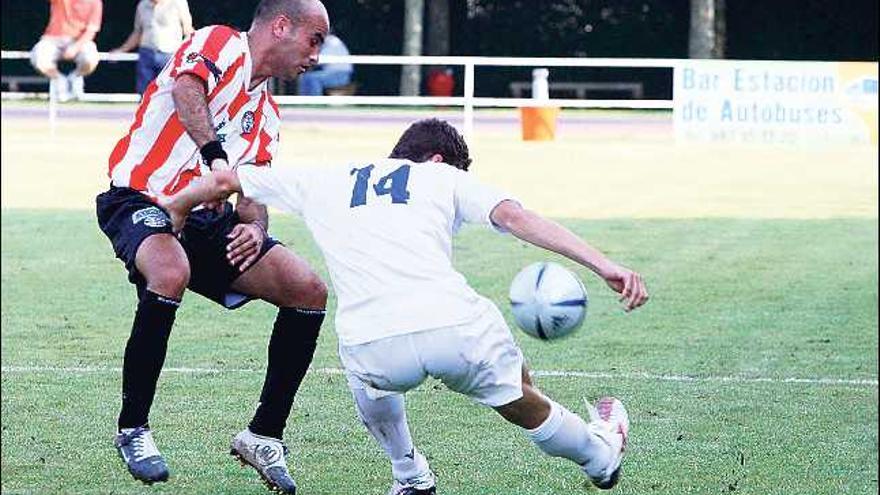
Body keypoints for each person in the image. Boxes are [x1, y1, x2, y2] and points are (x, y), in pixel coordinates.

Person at [161, 118, 650, 493]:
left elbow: (225, 182)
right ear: (437, 160)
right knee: (521, 393)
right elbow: (517, 217)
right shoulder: (442, 179)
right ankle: (600, 457)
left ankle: (409, 473)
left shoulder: (325, 177)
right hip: (456, 331)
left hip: (375, 348)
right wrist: (603, 265)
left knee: (361, 369)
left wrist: (177, 209)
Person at [94, 0, 330, 492]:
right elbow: (187, 88)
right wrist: (216, 156)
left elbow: (252, 194)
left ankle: (263, 435)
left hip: (205, 217)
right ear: (281, 26)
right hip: (138, 196)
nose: (316, 57)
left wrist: (257, 228)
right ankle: (133, 428)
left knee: (307, 289)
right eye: (314, 40)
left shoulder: (267, 113)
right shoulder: (220, 42)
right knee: (170, 271)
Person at [111, 0, 195, 95]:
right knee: (144, 94)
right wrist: (121, 50)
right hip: (146, 54)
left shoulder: (178, 3)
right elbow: (137, 33)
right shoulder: (142, 5)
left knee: (168, 95)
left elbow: (188, 30)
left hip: (170, 55)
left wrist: (196, 50)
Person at [30, 0, 103, 102]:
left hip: (80, 40)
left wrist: (75, 48)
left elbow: (91, 31)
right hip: (53, 38)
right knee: (38, 57)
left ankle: (75, 78)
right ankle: (59, 80)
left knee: (91, 58)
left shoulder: (95, 2)